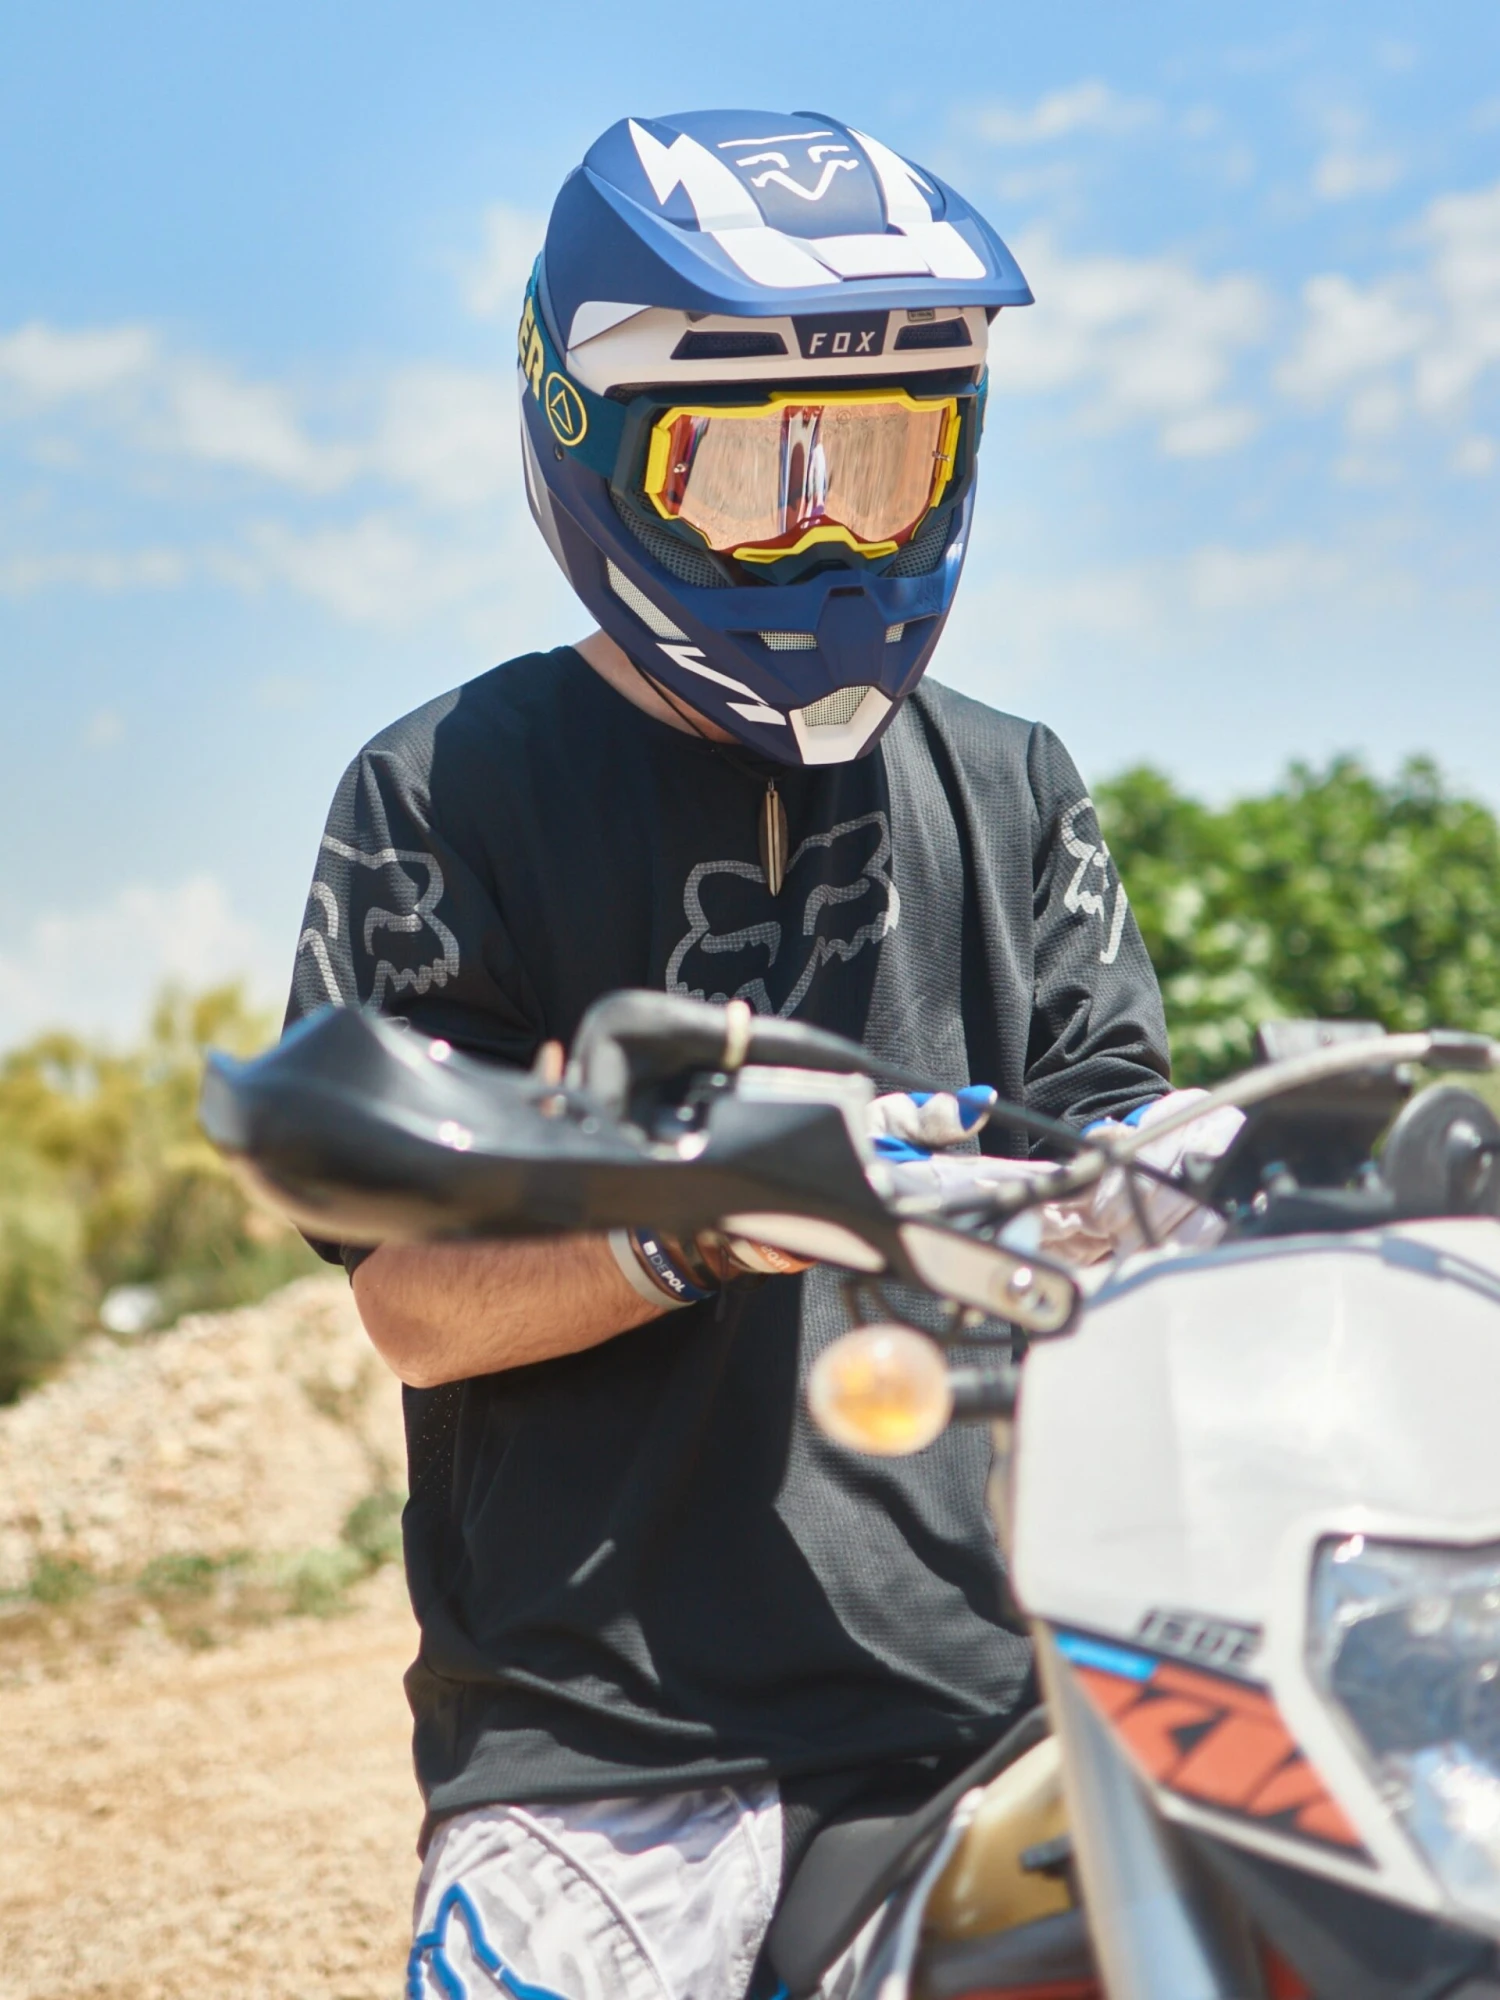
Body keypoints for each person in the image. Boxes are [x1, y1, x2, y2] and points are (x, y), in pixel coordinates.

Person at [286, 109, 1174, 2000]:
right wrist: (694, 1219)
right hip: (598, 1749)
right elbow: (415, 1305)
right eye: (754, 473)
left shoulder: (1013, 783)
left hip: (978, 1704)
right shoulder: (441, 793)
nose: (830, 533)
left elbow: (1137, 1154)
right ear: (595, 439)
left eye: (879, 460)